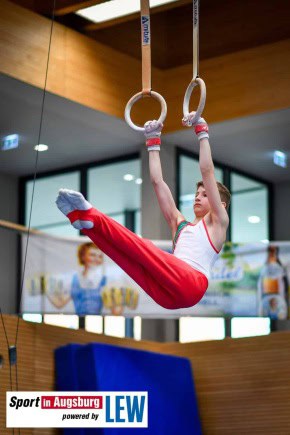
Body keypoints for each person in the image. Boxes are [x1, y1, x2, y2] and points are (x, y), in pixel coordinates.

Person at [56, 114, 230, 310]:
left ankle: (92, 215)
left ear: (221, 205)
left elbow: (207, 171)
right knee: (128, 260)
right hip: (167, 296)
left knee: (140, 247)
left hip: (191, 283)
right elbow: (157, 182)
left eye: (205, 195)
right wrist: (153, 141)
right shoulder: (179, 225)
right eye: (197, 193)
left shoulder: (218, 223)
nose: (198, 197)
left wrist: (202, 131)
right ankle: (88, 225)